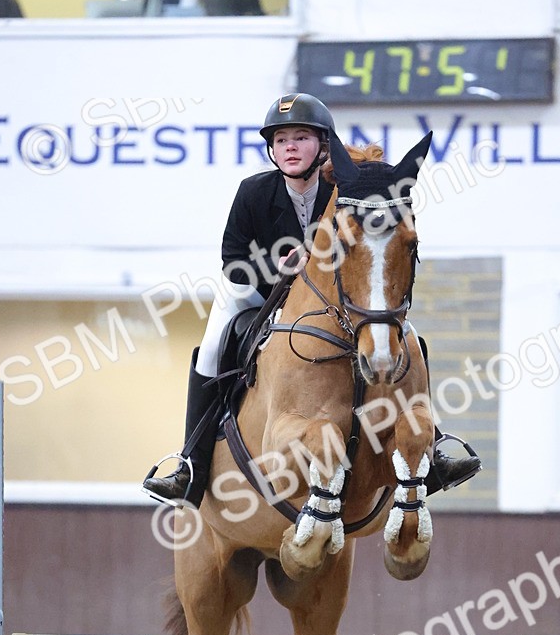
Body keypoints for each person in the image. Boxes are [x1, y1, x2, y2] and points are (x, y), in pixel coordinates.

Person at [143, 92, 481, 505]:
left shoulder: (341, 192)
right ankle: (190, 462)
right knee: (212, 346)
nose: (289, 147)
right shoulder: (252, 192)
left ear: (323, 146)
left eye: (300, 137)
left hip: (329, 299)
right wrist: (277, 269)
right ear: (271, 149)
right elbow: (232, 257)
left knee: (406, 334)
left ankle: (436, 443)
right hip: (257, 292)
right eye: (281, 139)